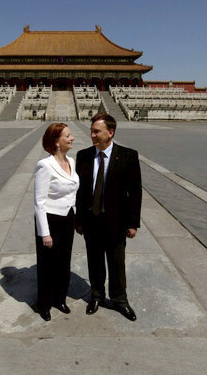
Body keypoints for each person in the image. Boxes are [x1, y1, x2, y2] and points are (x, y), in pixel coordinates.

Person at [75, 112, 142, 321]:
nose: (92, 135)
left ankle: (120, 300)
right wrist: (78, 220)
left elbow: (135, 192)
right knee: (94, 262)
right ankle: (96, 295)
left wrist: (133, 223)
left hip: (116, 221)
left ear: (110, 132)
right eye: (91, 131)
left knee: (116, 263)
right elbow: (80, 191)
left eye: (97, 131)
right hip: (91, 220)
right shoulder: (84, 156)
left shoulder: (128, 155)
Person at [33, 123, 79, 321]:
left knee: (64, 261)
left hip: (68, 217)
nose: (72, 138)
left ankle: (60, 298)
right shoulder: (45, 165)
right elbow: (39, 202)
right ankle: (44, 303)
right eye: (68, 136)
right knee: (47, 264)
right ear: (56, 141)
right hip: (51, 220)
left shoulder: (72, 161)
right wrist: (44, 232)